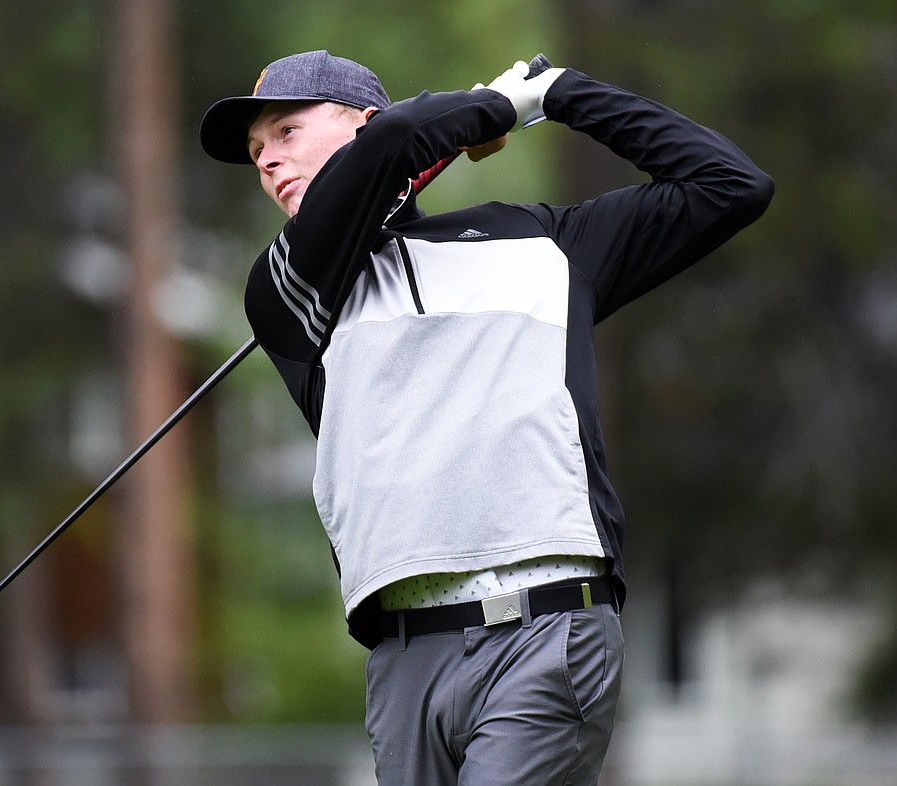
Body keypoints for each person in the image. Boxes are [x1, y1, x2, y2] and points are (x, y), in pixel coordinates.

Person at [199, 49, 773, 785]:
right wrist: (493, 109)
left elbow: (730, 185)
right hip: (404, 665)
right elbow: (392, 147)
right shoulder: (288, 292)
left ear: (360, 123)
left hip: (547, 629)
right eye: (254, 153)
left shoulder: (539, 245)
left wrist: (562, 94)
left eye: (285, 132)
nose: (268, 163)